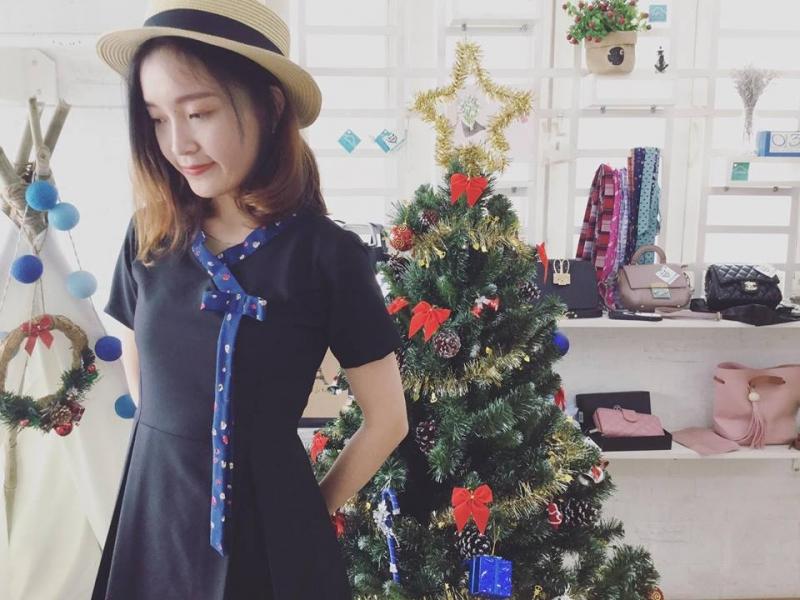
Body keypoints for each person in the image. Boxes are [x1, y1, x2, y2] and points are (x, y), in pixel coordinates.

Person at [92, 1, 408, 598]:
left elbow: (388, 419)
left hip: (274, 541)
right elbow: (145, 381)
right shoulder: (149, 235)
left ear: (271, 104)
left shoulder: (327, 255)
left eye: (199, 112)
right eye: (158, 119)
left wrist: (303, 514)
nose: (178, 143)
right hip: (155, 522)